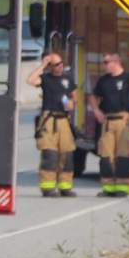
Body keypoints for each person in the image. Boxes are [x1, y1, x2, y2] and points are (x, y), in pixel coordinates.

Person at [90, 53, 129, 198]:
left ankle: (123, 187)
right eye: (104, 62)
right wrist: (96, 111)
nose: (104, 65)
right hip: (108, 121)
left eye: (107, 62)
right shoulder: (104, 80)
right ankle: (108, 187)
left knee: (123, 156)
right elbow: (93, 96)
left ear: (116, 62)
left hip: (124, 121)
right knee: (106, 156)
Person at [26, 52, 78, 197]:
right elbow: (30, 80)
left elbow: (74, 96)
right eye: (55, 64)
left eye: (61, 63)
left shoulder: (67, 79)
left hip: (64, 121)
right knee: (50, 155)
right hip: (49, 120)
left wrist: (72, 104)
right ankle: (48, 187)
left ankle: (65, 187)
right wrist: (42, 64)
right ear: (49, 67)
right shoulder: (45, 78)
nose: (60, 66)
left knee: (66, 155)